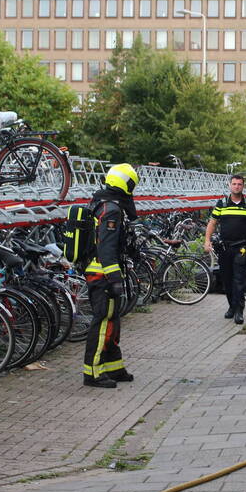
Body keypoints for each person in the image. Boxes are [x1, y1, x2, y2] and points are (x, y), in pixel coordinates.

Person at [83, 163, 139, 388]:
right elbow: (106, 247)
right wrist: (114, 278)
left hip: (103, 271)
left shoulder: (104, 203)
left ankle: (114, 368)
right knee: (103, 322)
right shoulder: (111, 210)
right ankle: (93, 373)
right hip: (102, 274)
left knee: (112, 321)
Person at [204, 174, 246, 325]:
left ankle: (239, 311)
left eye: (239, 184)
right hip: (225, 247)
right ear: (229, 185)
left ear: (243, 186)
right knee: (226, 279)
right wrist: (207, 240)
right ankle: (232, 306)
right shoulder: (222, 203)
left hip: (242, 248)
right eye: (234, 184)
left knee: (239, 279)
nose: (237, 186)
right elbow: (212, 223)